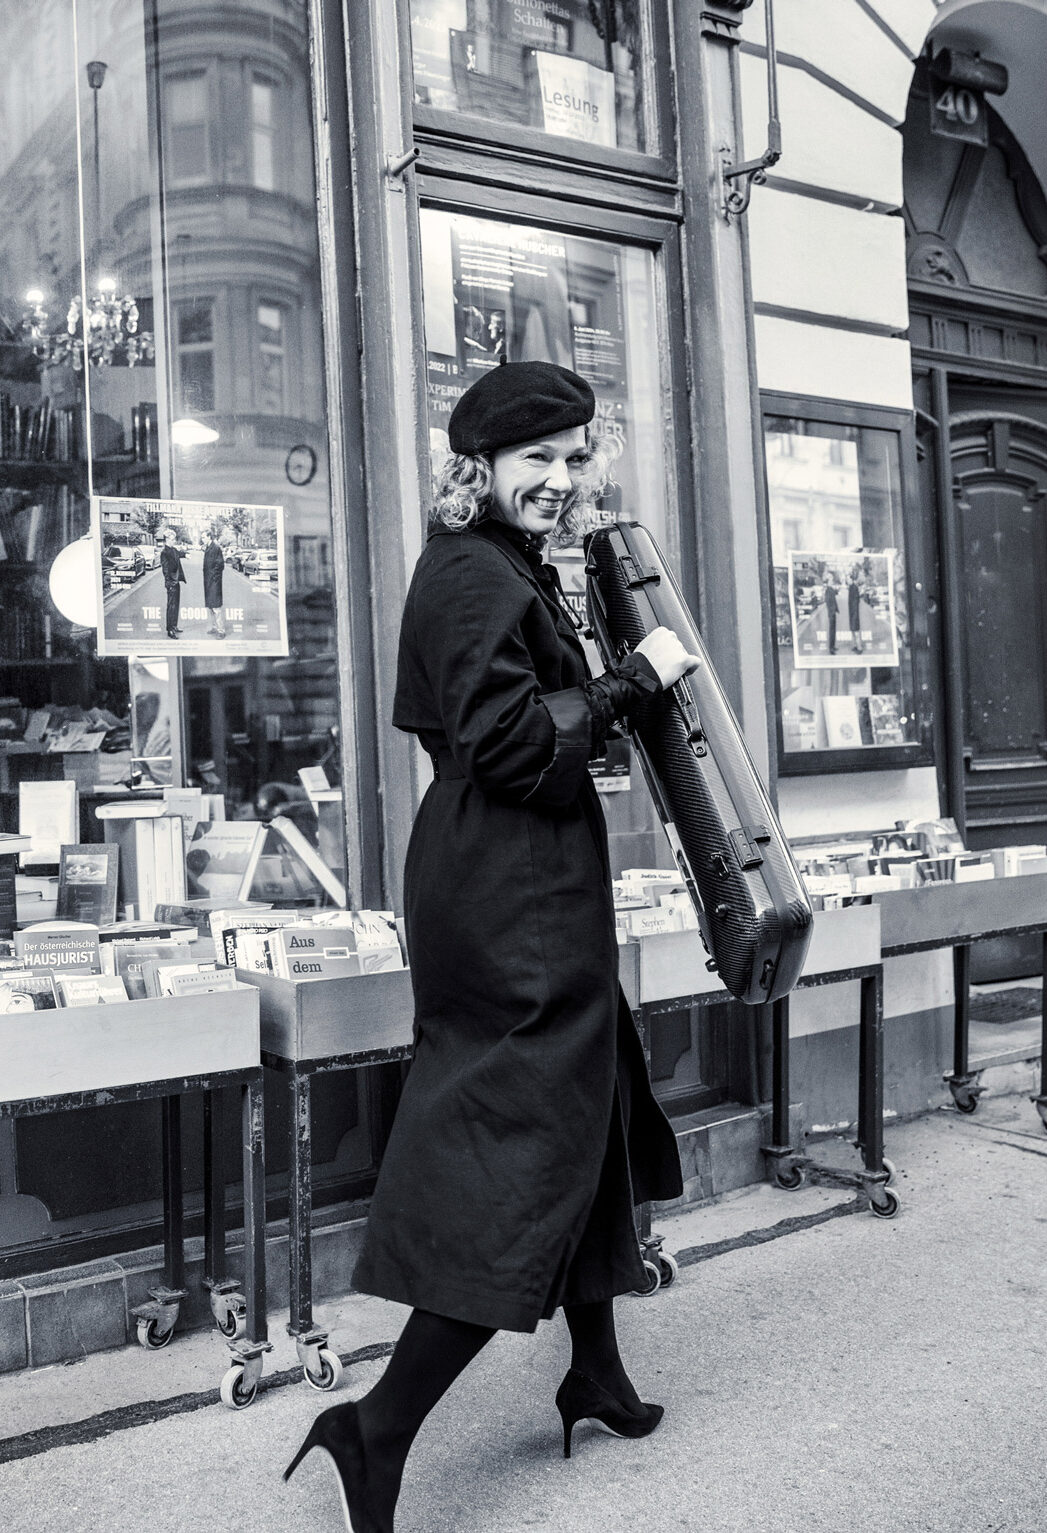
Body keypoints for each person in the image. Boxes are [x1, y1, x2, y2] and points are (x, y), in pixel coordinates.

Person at [284, 362, 699, 1531]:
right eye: (538, 463)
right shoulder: (471, 574)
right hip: (509, 888)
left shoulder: (509, 563)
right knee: (522, 1148)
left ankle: (595, 1371)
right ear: (479, 469)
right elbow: (513, 748)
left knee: (592, 1105)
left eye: (576, 460)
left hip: (524, 872)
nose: (563, 482)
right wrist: (630, 686)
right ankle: (374, 1428)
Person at [159, 530, 185, 639]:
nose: (174, 541)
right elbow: (165, 570)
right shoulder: (164, 552)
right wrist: (169, 583)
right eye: (173, 539)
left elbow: (178, 554)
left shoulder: (173, 550)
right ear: (168, 539)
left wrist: (185, 555)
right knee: (171, 607)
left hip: (176, 581)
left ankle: (174, 626)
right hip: (171, 583)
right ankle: (170, 630)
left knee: (176, 605)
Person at [203, 529, 227, 638]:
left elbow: (220, 565)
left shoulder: (216, 548)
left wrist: (214, 578)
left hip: (214, 582)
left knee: (216, 607)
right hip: (209, 582)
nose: (202, 539)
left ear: (209, 537)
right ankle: (214, 627)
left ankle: (221, 631)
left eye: (203, 537)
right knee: (211, 607)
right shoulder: (208, 547)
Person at [823, 575, 839, 655]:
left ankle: (833, 646)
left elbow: (834, 598)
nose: (832, 581)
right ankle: (831, 649)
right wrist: (832, 611)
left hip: (833, 613)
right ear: (828, 582)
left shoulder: (831, 589)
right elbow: (828, 602)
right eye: (831, 581)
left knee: (833, 630)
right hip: (831, 613)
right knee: (832, 631)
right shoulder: (828, 590)